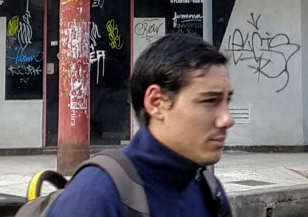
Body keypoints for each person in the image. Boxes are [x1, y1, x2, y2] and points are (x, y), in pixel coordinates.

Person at [47, 34, 234, 217]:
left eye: (227, 101)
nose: (227, 119)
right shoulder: (97, 193)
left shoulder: (209, 191)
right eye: (209, 101)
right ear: (156, 103)